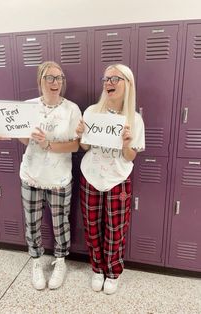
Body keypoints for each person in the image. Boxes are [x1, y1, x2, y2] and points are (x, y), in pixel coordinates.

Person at [76, 63, 145, 295]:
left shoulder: (134, 119)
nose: (109, 83)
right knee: (92, 226)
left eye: (115, 79)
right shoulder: (92, 112)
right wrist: (80, 134)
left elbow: (130, 156)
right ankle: (97, 268)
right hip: (91, 176)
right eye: (106, 79)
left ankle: (113, 272)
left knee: (116, 229)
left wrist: (126, 143)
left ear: (128, 84)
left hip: (118, 178)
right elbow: (85, 146)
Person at [19, 61, 82, 290]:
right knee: (32, 223)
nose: (56, 82)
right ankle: (36, 262)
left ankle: (61, 261)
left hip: (59, 179)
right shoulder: (28, 106)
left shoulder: (72, 109)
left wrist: (48, 145)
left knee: (60, 224)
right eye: (50, 78)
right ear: (40, 81)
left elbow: (76, 145)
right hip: (31, 175)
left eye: (59, 78)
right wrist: (12, 133)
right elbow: (25, 140)